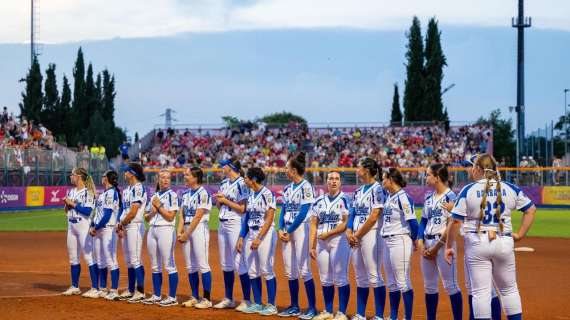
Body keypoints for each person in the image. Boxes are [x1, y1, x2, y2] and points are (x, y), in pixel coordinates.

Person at [445, 154, 536, 320]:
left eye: (473, 167)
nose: (471, 169)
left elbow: (456, 222)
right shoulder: (509, 188)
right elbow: (531, 210)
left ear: (478, 169)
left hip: (477, 243)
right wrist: (521, 234)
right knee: (509, 290)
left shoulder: (469, 190)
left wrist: (449, 247)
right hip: (504, 241)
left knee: (481, 293)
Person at [418, 164, 462, 319]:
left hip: (444, 245)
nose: (426, 177)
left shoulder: (451, 197)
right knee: (429, 287)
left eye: (428, 174)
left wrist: (437, 247)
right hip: (427, 244)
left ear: (437, 177)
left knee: (450, 285)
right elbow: (423, 222)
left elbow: (452, 224)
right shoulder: (429, 199)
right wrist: (421, 243)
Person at [278, 152, 318, 319]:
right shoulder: (287, 188)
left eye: (287, 168)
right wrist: (280, 228)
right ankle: (294, 306)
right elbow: (283, 210)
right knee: (290, 271)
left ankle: (312, 308)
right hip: (287, 229)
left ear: (293, 170)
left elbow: (303, 213)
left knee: (304, 269)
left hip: (300, 229)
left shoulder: (306, 186)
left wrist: (288, 230)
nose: (285, 170)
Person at [345, 157, 386, 320]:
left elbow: (374, 216)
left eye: (359, 167)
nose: (357, 169)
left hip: (371, 235)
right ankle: (361, 314)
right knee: (360, 277)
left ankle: (379, 315)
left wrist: (357, 234)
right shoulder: (358, 191)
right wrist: (348, 230)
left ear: (367, 170)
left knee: (374, 275)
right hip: (355, 236)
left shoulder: (378, 189)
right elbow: (352, 213)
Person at [236, 167, 279, 315]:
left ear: (253, 179)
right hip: (251, 233)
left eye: (246, 177)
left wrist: (259, 238)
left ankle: (272, 305)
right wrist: (242, 236)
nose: (244, 180)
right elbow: (247, 217)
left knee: (266, 269)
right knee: (252, 270)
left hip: (264, 234)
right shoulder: (251, 194)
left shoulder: (267, 194)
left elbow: (270, 217)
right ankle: (258, 303)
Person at [309, 171, 351, 320]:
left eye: (336, 179)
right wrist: (312, 246)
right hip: (321, 244)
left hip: (339, 241)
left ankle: (342, 312)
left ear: (340, 182)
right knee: (325, 279)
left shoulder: (345, 199)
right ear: (326, 182)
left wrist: (328, 233)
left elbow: (346, 223)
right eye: (331, 179)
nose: (333, 181)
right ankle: (327, 311)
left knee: (340, 278)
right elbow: (313, 224)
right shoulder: (319, 200)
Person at [213, 158, 252, 311]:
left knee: (239, 263)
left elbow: (243, 208)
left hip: (235, 223)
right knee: (226, 263)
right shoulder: (223, 183)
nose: (222, 168)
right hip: (222, 223)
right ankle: (228, 298)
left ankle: (247, 300)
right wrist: (219, 201)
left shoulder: (242, 183)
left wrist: (226, 201)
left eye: (224, 166)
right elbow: (219, 205)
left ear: (231, 167)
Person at [380, 168, 418, 320]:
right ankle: (394, 316)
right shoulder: (389, 196)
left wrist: (415, 240)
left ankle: (408, 318)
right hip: (387, 241)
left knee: (402, 282)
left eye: (384, 178)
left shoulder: (403, 197)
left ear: (391, 180)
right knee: (391, 283)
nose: (382, 181)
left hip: (400, 240)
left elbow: (413, 223)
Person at [177, 167, 213, 309]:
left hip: (198, 229)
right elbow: (182, 214)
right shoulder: (186, 193)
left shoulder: (203, 193)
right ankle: (194, 296)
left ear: (195, 177)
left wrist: (186, 233)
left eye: (187, 175)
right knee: (190, 266)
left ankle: (207, 299)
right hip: (186, 228)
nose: (185, 177)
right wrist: (179, 231)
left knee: (202, 264)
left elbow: (198, 215)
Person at [142, 169, 179, 307]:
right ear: (158, 179)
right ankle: (156, 295)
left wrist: (159, 207)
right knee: (155, 266)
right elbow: (146, 217)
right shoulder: (154, 196)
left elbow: (170, 217)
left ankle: (172, 297)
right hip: (152, 229)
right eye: (162, 177)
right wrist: (153, 211)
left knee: (169, 264)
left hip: (166, 230)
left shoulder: (173, 195)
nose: (165, 180)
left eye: (168, 178)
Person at [61, 168, 98, 297]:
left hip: (83, 226)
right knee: (73, 258)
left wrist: (73, 204)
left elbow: (88, 211)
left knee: (89, 257)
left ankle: (95, 288)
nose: (70, 176)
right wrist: (67, 204)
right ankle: (75, 286)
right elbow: (67, 211)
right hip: (71, 226)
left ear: (79, 177)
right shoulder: (71, 191)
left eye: (72, 174)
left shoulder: (88, 193)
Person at [116, 162, 147, 303]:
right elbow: (123, 209)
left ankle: (140, 291)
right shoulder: (127, 189)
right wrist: (120, 224)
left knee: (135, 260)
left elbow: (133, 212)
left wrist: (121, 223)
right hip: (126, 226)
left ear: (132, 173)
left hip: (134, 225)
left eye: (126, 171)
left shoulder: (138, 188)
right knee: (129, 261)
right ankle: (130, 290)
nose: (125, 173)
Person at [90, 170, 122, 300]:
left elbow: (107, 215)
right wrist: (93, 224)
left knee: (111, 260)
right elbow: (98, 213)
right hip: (99, 229)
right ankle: (102, 288)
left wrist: (95, 227)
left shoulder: (111, 193)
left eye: (103, 176)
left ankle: (114, 290)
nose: (102, 177)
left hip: (108, 229)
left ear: (107, 179)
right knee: (100, 260)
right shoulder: (103, 193)